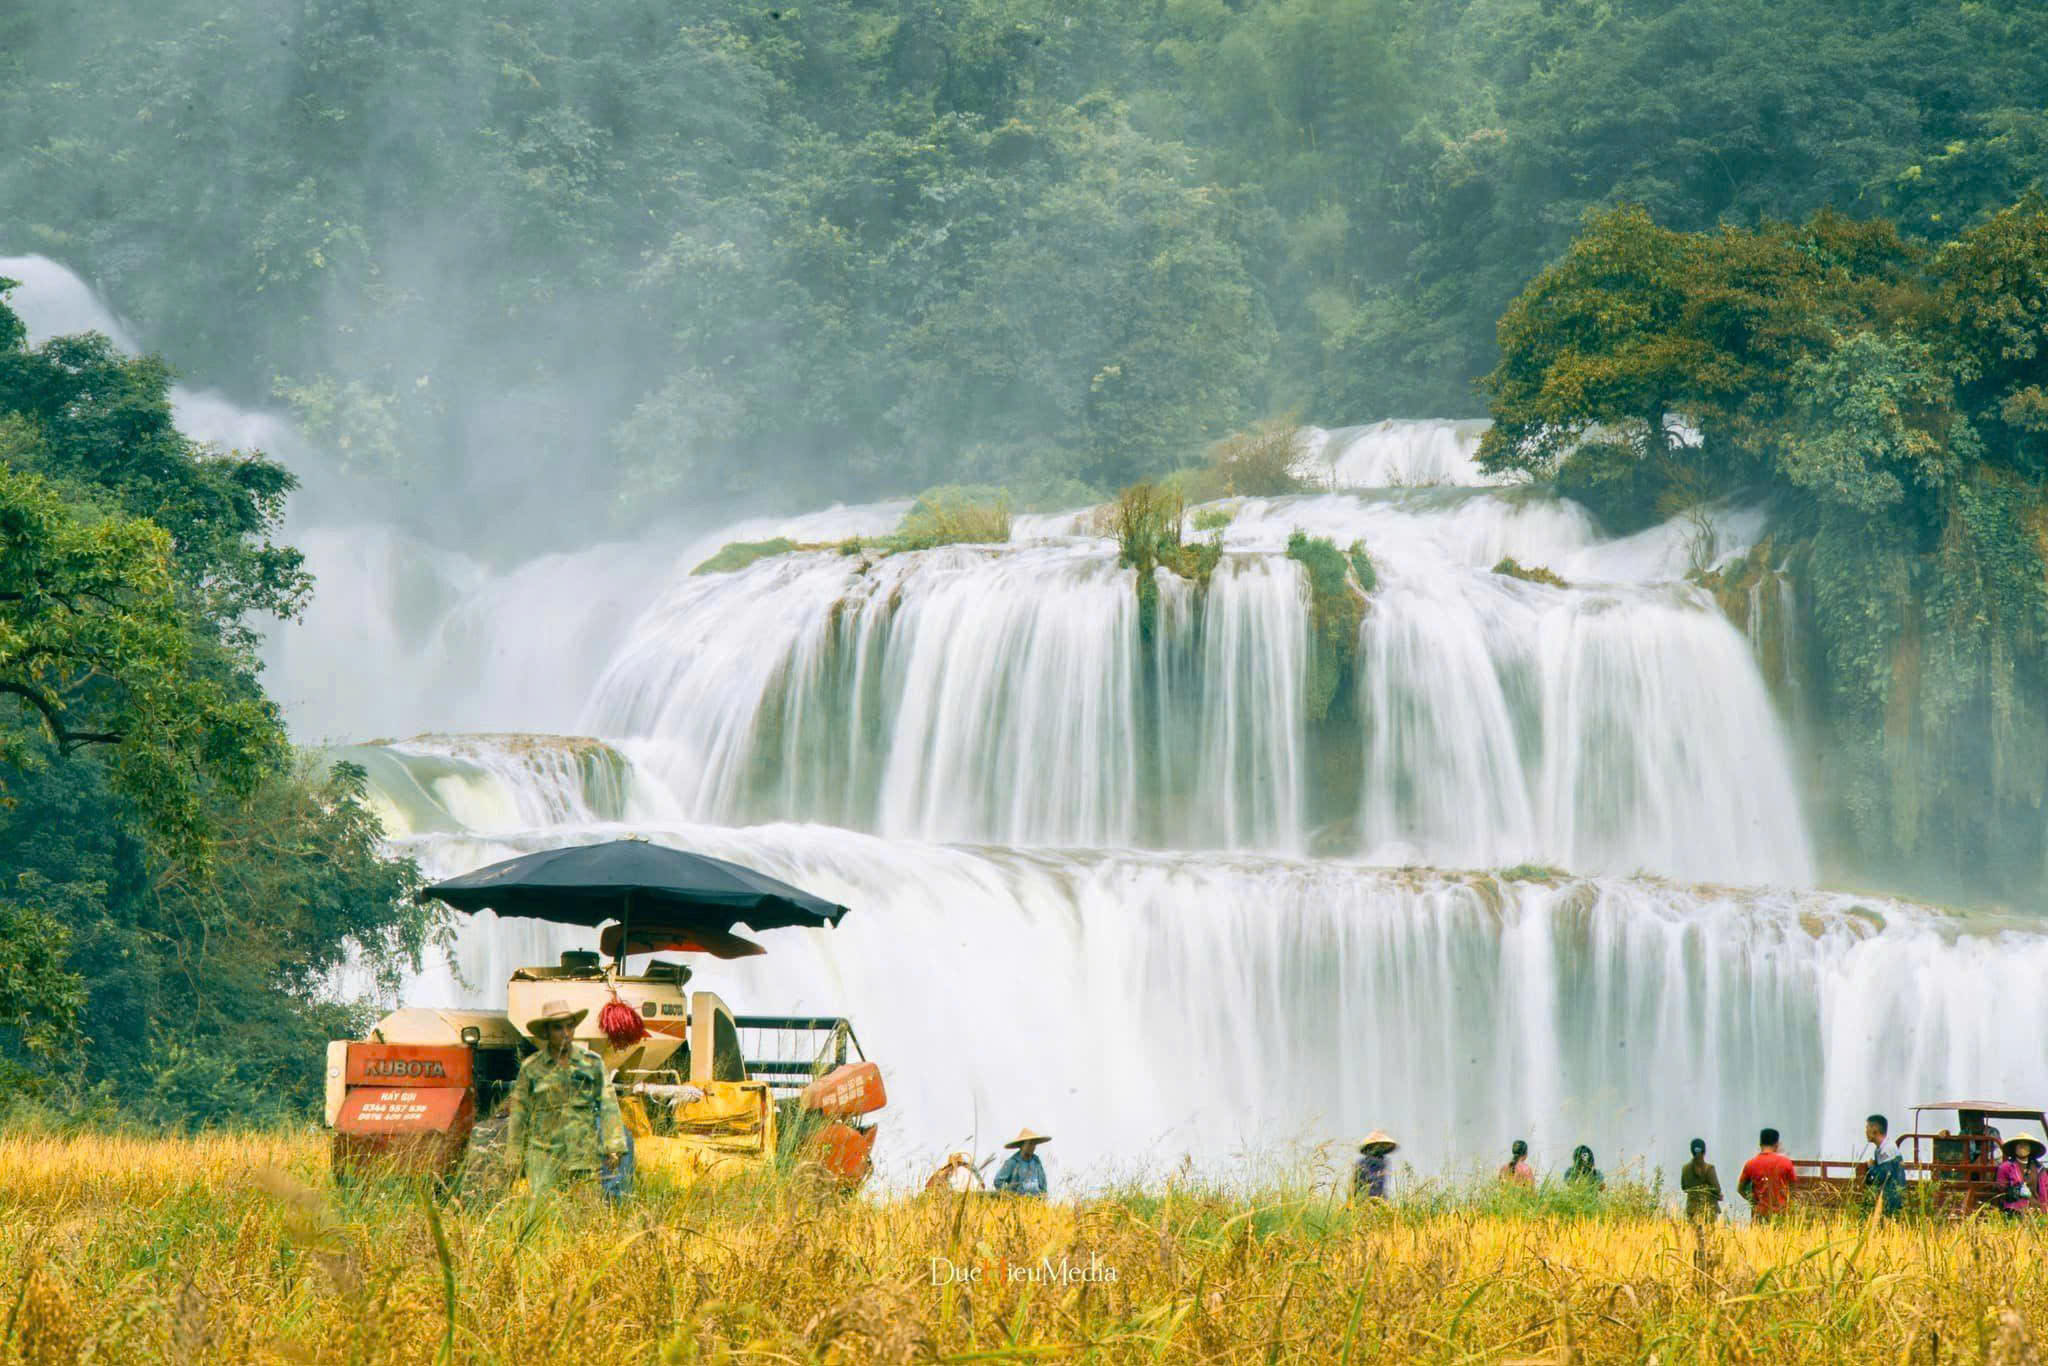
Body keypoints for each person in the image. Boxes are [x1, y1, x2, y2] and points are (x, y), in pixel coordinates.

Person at [507, 999, 628, 1198]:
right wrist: (514, 1153)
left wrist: (613, 1145)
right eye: (557, 1028)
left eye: (569, 1026)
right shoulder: (531, 1068)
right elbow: (519, 1113)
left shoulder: (591, 1063)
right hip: (544, 1159)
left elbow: (608, 1105)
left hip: (583, 1156)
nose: (565, 1033)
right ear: (546, 1032)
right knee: (544, 1218)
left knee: (584, 1217)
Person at [1737, 1127, 1797, 1222]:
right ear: (1776, 1144)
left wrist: (1753, 1201)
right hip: (1781, 1213)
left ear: (1760, 1144)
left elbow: (1740, 1189)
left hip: (1760, 1213)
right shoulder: (1786, 1163)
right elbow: (1793, 1188)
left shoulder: (1750, 1164)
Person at [1863, 1114, 1907, 1216]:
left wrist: (1871, 1167)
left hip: (1892, 1197)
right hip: (1888, 1196)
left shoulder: (1888, 1148)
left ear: (1875, 1130)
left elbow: (1883, 1175)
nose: (1865, 1132)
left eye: (1867, 1128)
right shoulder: (1880, 1149)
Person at [992, 1127, 1051, 1197]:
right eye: (1029, 1144)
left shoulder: (1036, 1162)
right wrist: (1009, 1194)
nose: (1032, 1147)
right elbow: (998, 1181)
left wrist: (1043, 1196)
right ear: (1021, 1145)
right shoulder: (1012, 1162)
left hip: (1035, 1202)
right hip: (1017, 1202)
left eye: (1034, 1144)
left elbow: (1043, 1184)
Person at [1995, 1136, 2043, 1218]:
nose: (2022, 1148)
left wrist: (2044, 1208)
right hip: (2013, 1208)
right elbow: (2000, 1187)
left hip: (2035, 1208)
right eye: (2020, 1145)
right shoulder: (2005, 1167)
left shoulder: (2039, 1168)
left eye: (2026, 1145)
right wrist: (2013, 1190)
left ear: (2031, 1149)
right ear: (2015, 1148)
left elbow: (2044, 1190)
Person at [1680, 1138, 1722, 1221]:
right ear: (1704, 1151)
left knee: (1694, 1233)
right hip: (1708, 1210)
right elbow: (1717, 1189)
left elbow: (1684, 1188)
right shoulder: (1709, 1169)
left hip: (1691, 1210)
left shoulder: (1685, 1168)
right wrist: (1718, 1195)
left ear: (1691, 1151)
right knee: (1708, 1233)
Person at [1354, 1131, 1398, 1200]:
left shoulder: (1383, 1162)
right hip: (1368, 1197)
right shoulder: (1381, 1162)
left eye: (1382, 1146)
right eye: (1378, 1146)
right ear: (1371, 1148)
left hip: (1371, 1197)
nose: (1380, 1149)